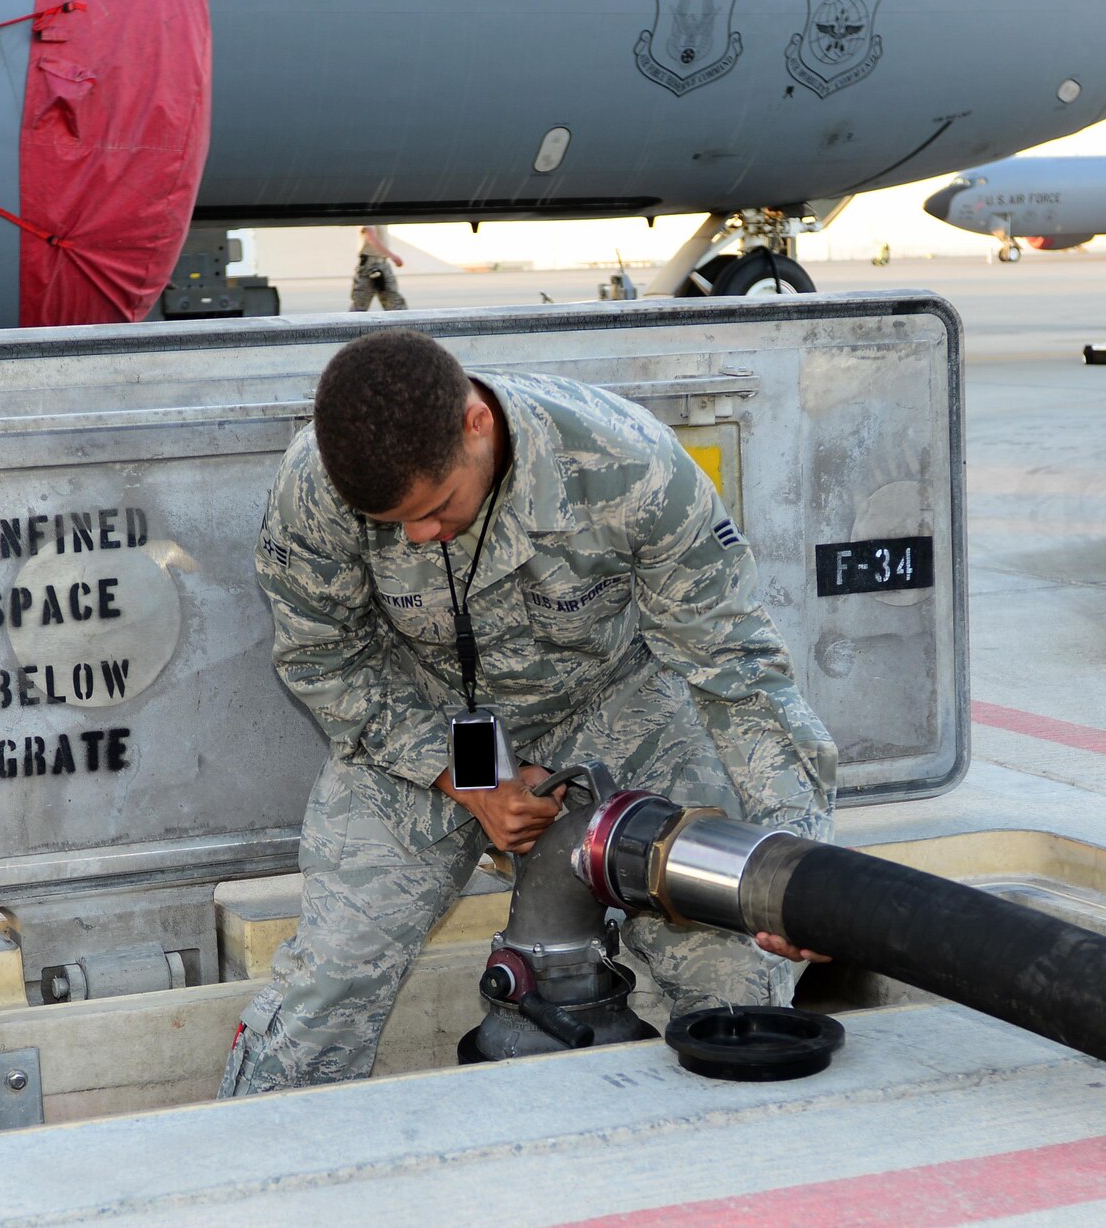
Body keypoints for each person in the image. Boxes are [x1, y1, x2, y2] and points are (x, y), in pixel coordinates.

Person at [224, 328, 835, 1096]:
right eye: (392, 524)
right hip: (423, 716)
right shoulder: (313, 484)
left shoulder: (631, 466)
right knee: (333, 979)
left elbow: (739, 676)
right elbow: (324, 659)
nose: (416, 535)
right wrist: (467, 778)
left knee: (735, 972)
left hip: (617, 703)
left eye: (436, 506)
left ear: (476, 423)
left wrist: (796, 869)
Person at [349, 225, 409, 311]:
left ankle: (401, 322)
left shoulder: (380, 218)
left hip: (382, 262)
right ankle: (353, 322)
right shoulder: (370, 217)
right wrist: (392, 256)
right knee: (361, 303)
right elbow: (371, 238)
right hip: (371, 265)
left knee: (393, 301)